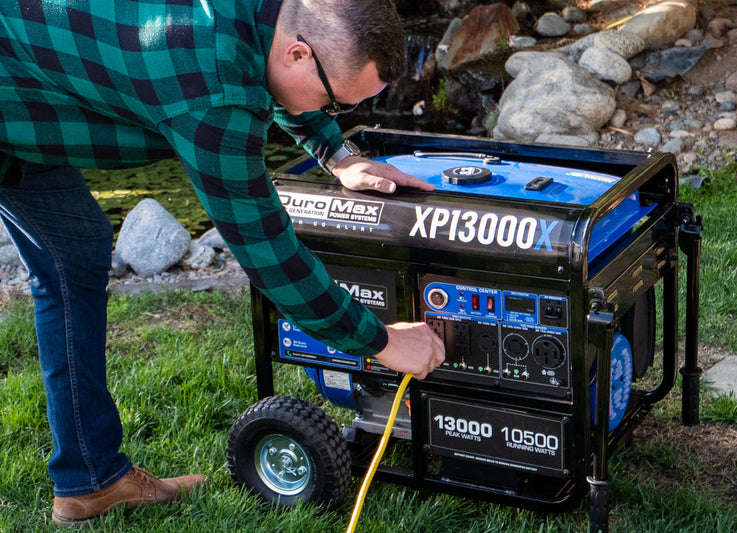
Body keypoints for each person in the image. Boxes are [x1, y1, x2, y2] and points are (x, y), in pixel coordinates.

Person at [0, 0, 445, 527]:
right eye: (333, 102)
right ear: (299, 53)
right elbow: (271, 255)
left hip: (37, 56)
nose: (332, 111)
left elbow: (267, 65)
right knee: (71, 259)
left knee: (75, 251)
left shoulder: (270, 18)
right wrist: (384, 341)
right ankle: (91, 479)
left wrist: (339, 155)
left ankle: (89, 481)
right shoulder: (212, 97)